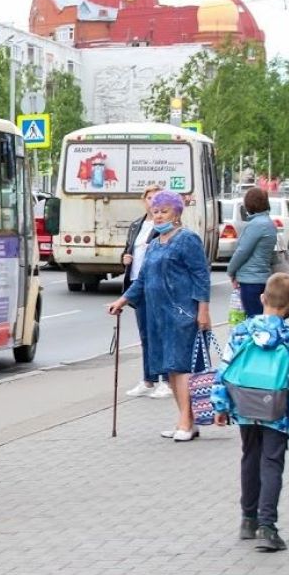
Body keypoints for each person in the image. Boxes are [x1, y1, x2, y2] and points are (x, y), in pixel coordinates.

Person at [211, 273, 289, 553]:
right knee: (272, 463)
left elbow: (224, 369)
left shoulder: (242, 332)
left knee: (250, 457)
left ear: (261, 299)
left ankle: (248, 519)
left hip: (245, 405)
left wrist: (221, 406)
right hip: (277, 410)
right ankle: (267, 526)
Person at [106, 190, 211, 442]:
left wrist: (203, 310)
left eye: (164, 211)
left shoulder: (187, 239)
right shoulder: (154, 243)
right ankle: (186, 421)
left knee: (181, 367)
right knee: (171, 369)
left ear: (176, 213)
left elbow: (201, 276)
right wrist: (122, 300)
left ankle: (186, 422)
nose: (159, 215)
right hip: (157, 314)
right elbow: (142, 280)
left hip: (182, 313)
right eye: (155, 211)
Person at [121, 184, 170, 399]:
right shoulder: (137, 225)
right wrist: (125, 258)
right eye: (149, 198)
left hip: (157, 284)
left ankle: (166, 379)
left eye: (157, 198)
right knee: (145, 334)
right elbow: (128, 249)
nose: (153, 202)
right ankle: (148, 378)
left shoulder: (167, 226)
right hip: (137, 281)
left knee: (160, 332)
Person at [227, 188, 278, 319]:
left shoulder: (256, 225)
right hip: (263, 276)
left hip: (251, 280)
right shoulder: (269, 223)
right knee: (262, 319)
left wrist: (231, 270)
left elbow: (242, 251)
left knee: (254, 321)